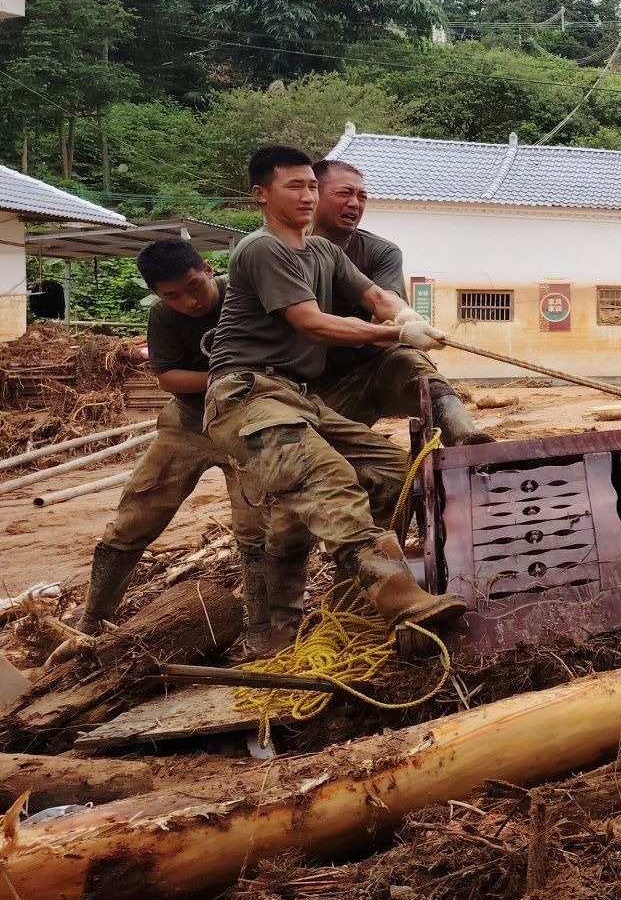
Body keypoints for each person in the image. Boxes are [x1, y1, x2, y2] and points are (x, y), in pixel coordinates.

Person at [203, 145, 465, 634]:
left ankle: (354, 603)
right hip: (246, 396)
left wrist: (406, 316)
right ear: (261, 195)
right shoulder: (262, 248)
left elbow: (375, 295)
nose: (307, 196)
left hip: (298, 397)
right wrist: (393, 334)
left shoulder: (324, 252)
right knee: (329, 481)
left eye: (310, 185)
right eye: (294, 186)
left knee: (394, 472)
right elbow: (313, 323)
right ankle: (396, 598)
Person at [77, 240, 289, 654]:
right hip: (188, 424)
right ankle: (93, 619)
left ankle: (262, 629)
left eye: (194, 286)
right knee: (135, 515)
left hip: (250, 426)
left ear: (208, 269)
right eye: (172, 295)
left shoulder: (245, 296)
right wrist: (229, 377)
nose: (189, 301)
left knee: (256, 529)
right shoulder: (162, 316)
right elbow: (168, 378)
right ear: (158, 295)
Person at [308, 159, 491, 444]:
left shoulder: (380, 251)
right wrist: (391, 330)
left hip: (371, 369)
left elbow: (384, 300)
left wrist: (406, 319)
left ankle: (466, 440)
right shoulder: (278, 252)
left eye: (362, 196)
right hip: (305, 384)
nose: (355, 203)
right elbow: (307, 324)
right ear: (312, 194)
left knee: (414, 365)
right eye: (344, 193)